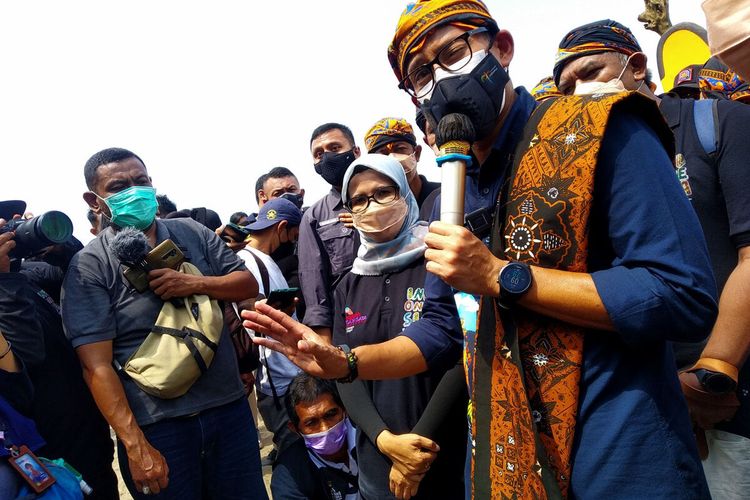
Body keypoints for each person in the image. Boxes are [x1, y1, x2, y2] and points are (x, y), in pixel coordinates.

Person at [246, 3, 718, 498]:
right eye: (421, 76)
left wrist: (501, 277)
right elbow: (442, 330)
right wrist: (348, 362)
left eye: (454, 53)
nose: (441, 83)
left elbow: (681, 293)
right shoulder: (456, 189)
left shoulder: (600, 129)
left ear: (503, 48)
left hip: (618, 452)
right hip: (502, 458)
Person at [555, 19, 750, 500]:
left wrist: (714, 369)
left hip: (725, 391)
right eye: (566, 87)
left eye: (592, 71)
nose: (580, 91)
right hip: (643, 403)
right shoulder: (583, 164)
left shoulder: (719, 124)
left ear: (637, 66)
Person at [62, 147, 266, 499]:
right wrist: (135, 444)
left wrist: (197, 283)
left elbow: (247, 284)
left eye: (141, 182)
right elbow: (95, 366)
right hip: (159, 429)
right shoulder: (89, 266)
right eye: (118, 186)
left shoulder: (191, 232)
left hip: (228, 411)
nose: (134, 191)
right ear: (94, 201)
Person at [336, 153, 465, 499]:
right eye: (359, 200)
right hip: (378, 459)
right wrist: (385, 439)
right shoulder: (348, 284)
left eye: (383, 193)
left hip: (441, 451)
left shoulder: (442, 261)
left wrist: (414, 452)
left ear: (405, 193)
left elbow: (459, 353)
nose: (372, 206)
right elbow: (342, 370)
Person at [0, 203, 119, 499]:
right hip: (44, 448)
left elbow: (79, 270)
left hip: (88, 430)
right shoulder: (9, 283)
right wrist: (3, 280)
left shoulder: (30, 274)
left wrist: (50, 240)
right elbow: (26, 356)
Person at [240, 197, 304, 464]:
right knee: (294, 458)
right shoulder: (247, 261)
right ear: (282, 228)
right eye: (293, 235)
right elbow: (250, 315)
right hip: (276, 380)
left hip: (286, 372)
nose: (292, 241)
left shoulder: (265, 260)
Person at [298, 123, 361, 341]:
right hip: (351, 321)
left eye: (335, 148)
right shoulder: (314, 217)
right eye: (318, 154)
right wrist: (323, 337)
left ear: (356, 152)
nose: (326, 157)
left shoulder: (390, 195)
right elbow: (314, 280)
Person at [272, 373, 358, 500]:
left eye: (330, 414)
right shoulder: (289, 473)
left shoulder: (372, 441)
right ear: (295, 429)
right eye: (311, 423)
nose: (325, 428)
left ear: (344, 409)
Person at [363, 117, 439, 216]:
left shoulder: (444, 195)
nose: (393, 158)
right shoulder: (377, 209)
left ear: (417, 154)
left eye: (400, 149)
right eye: (384, 154)